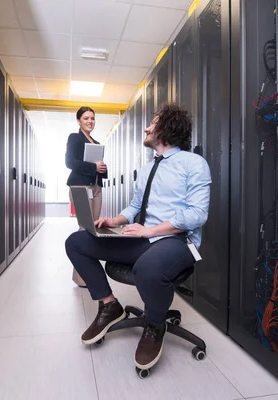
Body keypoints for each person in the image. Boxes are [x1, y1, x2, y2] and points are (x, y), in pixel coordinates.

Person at [64, 103, 211, 371]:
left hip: (177, 242)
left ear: (167, 127)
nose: (146, 128)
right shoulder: (146, 170)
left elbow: (198, 215)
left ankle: (155, 326)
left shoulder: (194, 163)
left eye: (152, 123)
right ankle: (109, 306)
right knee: (77, 242)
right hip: (142, 239)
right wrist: (115, 220)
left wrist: (151, 230)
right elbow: (134, 207)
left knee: (147, 267)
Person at [65, 106, 108, 287]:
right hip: (81, 186)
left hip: (96, 186)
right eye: (86, 118)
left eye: (92, 118)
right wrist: (93, 167)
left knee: (93, 230)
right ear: (79, 121)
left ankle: (85, 274)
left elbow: (97, 166)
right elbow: (69, 162)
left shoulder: (96, 142)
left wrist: (102, 168)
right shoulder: (74, 138)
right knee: (85, 229)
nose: (90, 121)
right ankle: (82, 278)